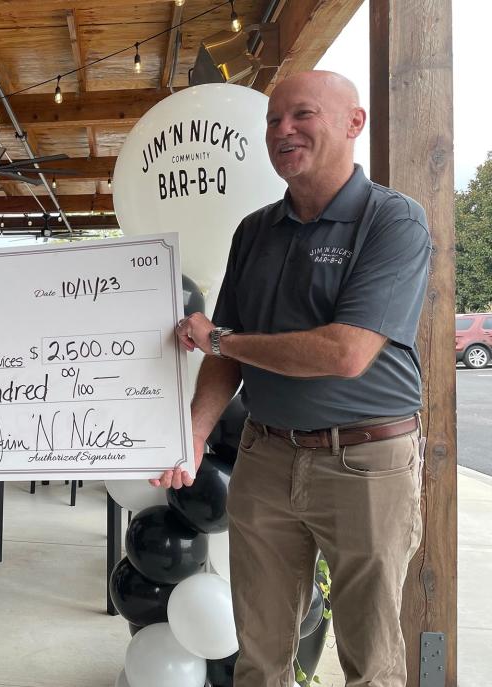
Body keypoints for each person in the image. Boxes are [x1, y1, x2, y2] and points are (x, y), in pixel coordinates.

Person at [156, 71, 431, 687]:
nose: (283, 131)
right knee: (258, 650)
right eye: (274, 121)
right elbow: (224, 354)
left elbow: (345, 353)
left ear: (353, 123)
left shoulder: (393, 221)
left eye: (302, 115)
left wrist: (221, 338)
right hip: (267, 455)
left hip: (365, 461)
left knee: (371, 658)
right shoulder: (254, 231)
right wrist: (195, 434)